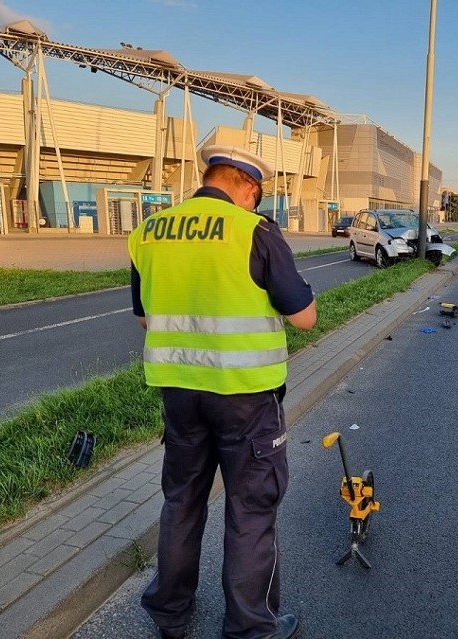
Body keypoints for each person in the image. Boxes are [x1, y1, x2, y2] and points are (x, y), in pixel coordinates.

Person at [128, 144, 317, 639]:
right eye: (257, 195)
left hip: (179, 394)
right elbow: (304, 318)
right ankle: (251, 628)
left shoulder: (148, 233)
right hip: (246, 398)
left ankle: (170, 617)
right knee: (251, 511)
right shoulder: (254, 231)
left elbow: (146, 316)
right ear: (248, 186)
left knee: (182, 502)